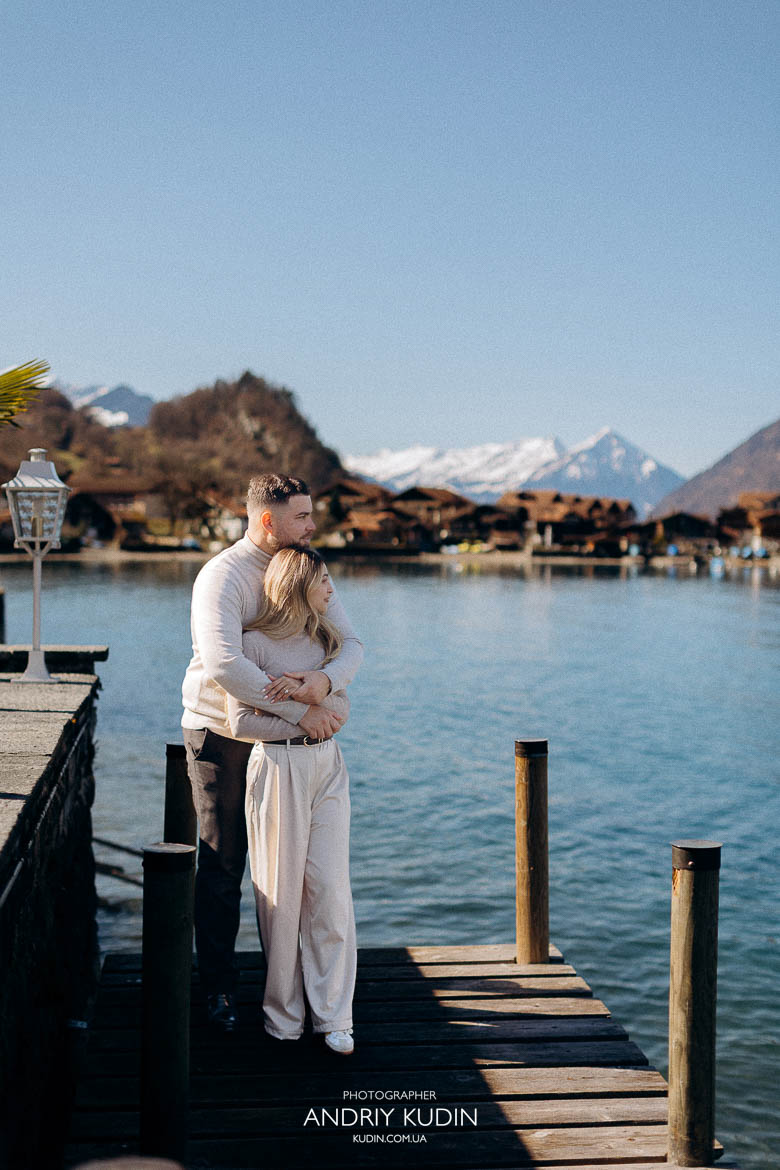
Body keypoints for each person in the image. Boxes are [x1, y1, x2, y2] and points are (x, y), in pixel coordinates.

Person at [181, 474, 363, 1032]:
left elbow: (350, 643)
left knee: (299, 875)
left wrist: (325, 684)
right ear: (268, 520)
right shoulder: (224, 575)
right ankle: (216, 990)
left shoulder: (307, 567)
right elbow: (225, 665)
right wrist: (300, 712)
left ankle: (293, 995)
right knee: (222, 864)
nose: (312, 526)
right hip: (222, 733)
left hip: (290, 744)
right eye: (302, 517)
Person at [227, 545, 356, 1054]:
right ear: (298, 585)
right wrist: (297, 714)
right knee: (280, 898)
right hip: (278, 767)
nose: (330, 589)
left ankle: (334, 1016)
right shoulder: (252, 645)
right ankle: (283, 1018)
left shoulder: (326, 641)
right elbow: (239, 722)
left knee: (329, 890)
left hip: (328, 766)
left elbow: (343, 705)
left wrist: (314, 692)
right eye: (323, 579)